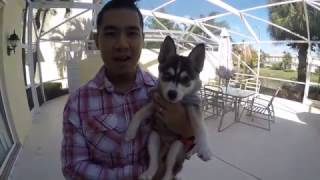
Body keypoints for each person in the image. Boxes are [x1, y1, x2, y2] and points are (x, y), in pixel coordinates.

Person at [61, 0, 194, 179]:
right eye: (110, 33)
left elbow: (188, 146)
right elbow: (73, 168)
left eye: (132, 33)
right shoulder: (78, 103)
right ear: (96, 41)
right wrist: (142, 174)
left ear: (142, 40)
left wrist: (187, 133)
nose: (122, 44)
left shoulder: (162, 94)